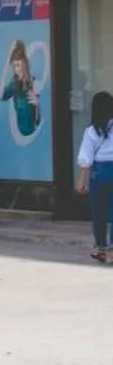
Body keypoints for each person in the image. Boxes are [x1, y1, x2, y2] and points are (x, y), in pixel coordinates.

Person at [76, 89, 113, 263]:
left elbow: (86, 159)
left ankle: (101, 247)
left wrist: (82, 181)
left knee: (99, 213)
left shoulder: (91, 131)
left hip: (98, 173)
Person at [1, 40, 42, 139]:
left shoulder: (34, 83)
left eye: (19, 65)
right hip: (20, 135)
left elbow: (38, 122)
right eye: (14, 66)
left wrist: (37, 106)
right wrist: (7, 61)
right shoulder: (14, 84)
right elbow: (1, 96)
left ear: (25, 65)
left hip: (33, 135)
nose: (17, 69)